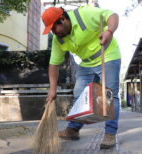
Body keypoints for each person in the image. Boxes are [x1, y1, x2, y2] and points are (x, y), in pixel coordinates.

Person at [42, 6, 121, 149]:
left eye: (54, 28)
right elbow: (54, 64)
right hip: (86, 62)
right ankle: (73, 130)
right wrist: (52, 89)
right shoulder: (58, 40)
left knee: (110, 94)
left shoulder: (84, 14)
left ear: (63, 19)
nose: (54, 33)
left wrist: (109, 31)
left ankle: (110, 133)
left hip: (107, 55)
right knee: (79, 94)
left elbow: (112, 15)